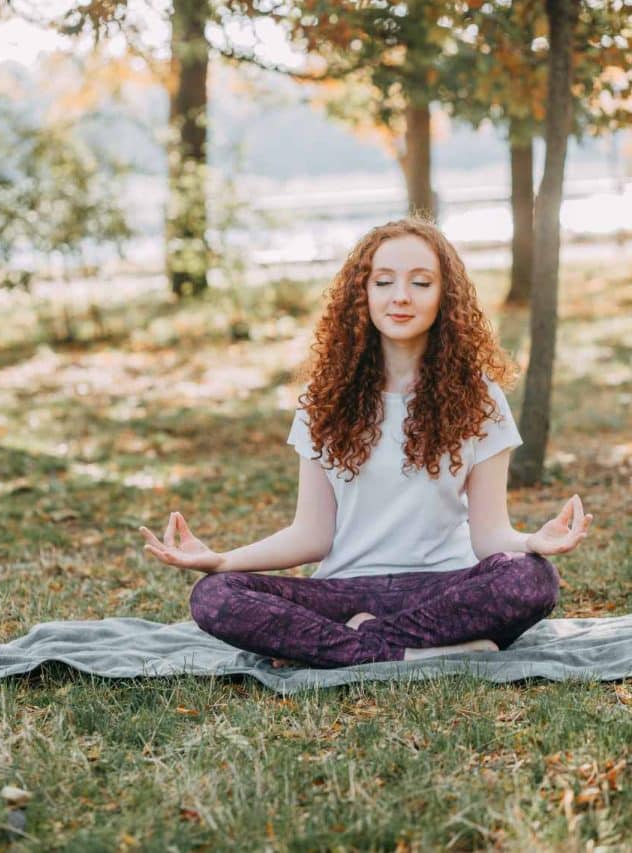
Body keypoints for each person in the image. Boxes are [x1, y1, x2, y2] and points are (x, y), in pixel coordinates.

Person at [139, 217, 593, 670]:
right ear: (363, 294)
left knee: (532, 579)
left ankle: (351, 646)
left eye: (420, 282)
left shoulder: (480, 397)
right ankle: (422, 651)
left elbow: (490, 535)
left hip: (445, 591)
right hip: (343, 591)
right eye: (384, 281)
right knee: (215, 596)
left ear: (444, 297)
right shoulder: (325, 400)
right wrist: (220, 561)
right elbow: (311, 535)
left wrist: (533, 540)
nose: (401, 296)